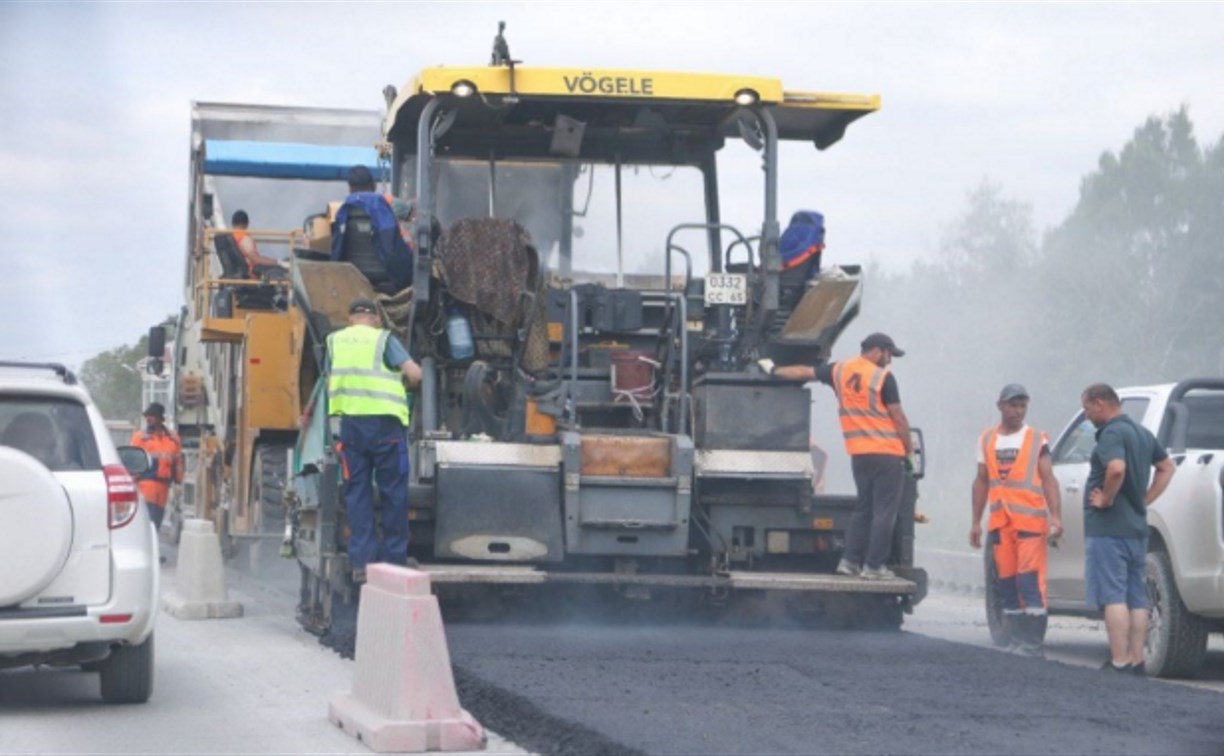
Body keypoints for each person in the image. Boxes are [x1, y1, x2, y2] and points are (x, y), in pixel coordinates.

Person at [763, 332, 913, 579]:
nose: (890, 360)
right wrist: (908, 452)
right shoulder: (883, 377)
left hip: (859, 455)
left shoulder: (840, 370)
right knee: (884, 512)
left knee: (863, 509)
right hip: (887, 454)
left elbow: (805, 372)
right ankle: (874, 566)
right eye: (889, 354)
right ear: (877, 350)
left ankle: (849, 562)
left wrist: (774, 370)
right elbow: (899, 417)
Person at [1081, 382, 1175, 675]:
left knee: (1114, 595)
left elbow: (1116, 468)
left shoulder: (1112, 433)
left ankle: (1119, 660)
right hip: (1136, 528)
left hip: (1109, 529)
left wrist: (1107, 498)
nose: (1086, 417)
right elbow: (1167, 467)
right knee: (1137, 597)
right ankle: (1136, 659)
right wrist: (1143, 500)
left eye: (1086, 409)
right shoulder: (1141, 433)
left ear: (1099, 403)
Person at [327, 298, 423, 583]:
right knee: (394, 493)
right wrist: (410, 386)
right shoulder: (385, 339)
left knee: (357, 493)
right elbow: (415, 373)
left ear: (350, 318)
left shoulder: (334, 341)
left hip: (352, 427)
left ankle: (362, 563)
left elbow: (328, 376)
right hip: (386, 428)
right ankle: (394, 562)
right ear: (376, 319)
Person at [970, 384, 1063, 656]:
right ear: (1000, 405)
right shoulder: (987, 439)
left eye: (1023, 406)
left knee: (1030, 581)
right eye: (1013, 405)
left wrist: (1056, 517)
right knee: (1007, 582)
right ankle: (1013, 640)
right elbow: (981, 481)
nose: (1018, 411)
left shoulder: (1036, 438)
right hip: (1001, 524)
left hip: (1030, 524)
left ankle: (1032, 643)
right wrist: (976, 522)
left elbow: (1048, 480)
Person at [330, 166, 413, 291]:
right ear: (374, 185)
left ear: (350, 189)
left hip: (352, 282)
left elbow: (336, 251)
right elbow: (391, 249)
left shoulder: (343, 212)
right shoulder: (385, 206)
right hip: (388, 283)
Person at [128, 402, 183, 534]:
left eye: (152, 415)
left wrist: (178, 482)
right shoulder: (140, 437)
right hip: (146, 485)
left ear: (160, 418)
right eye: (147, 416)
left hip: (164, 488)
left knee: (157, 521)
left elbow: (178, 462)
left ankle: (153, 551)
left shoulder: (173, 439)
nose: (148, 418)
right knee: (149, 521)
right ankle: (150, 552)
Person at [231, 210, 288, 278]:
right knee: (281, 270)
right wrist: (278, 262)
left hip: (245, 272)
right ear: (246, 224)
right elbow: (256, 260)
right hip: (254, 272)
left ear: (233, 223)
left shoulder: (232, 238)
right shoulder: (244, 239)